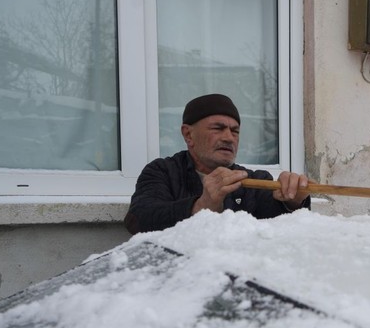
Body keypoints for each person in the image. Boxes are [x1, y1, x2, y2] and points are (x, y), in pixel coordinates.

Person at [124, 94, 311, 234]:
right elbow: (139, 220)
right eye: (218, 128)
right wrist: (201, 205)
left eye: (235, 131)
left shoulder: (255, 180)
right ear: (188, 135)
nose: (229, 138)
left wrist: (293, 202)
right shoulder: (163, 172)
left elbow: (282, 233)